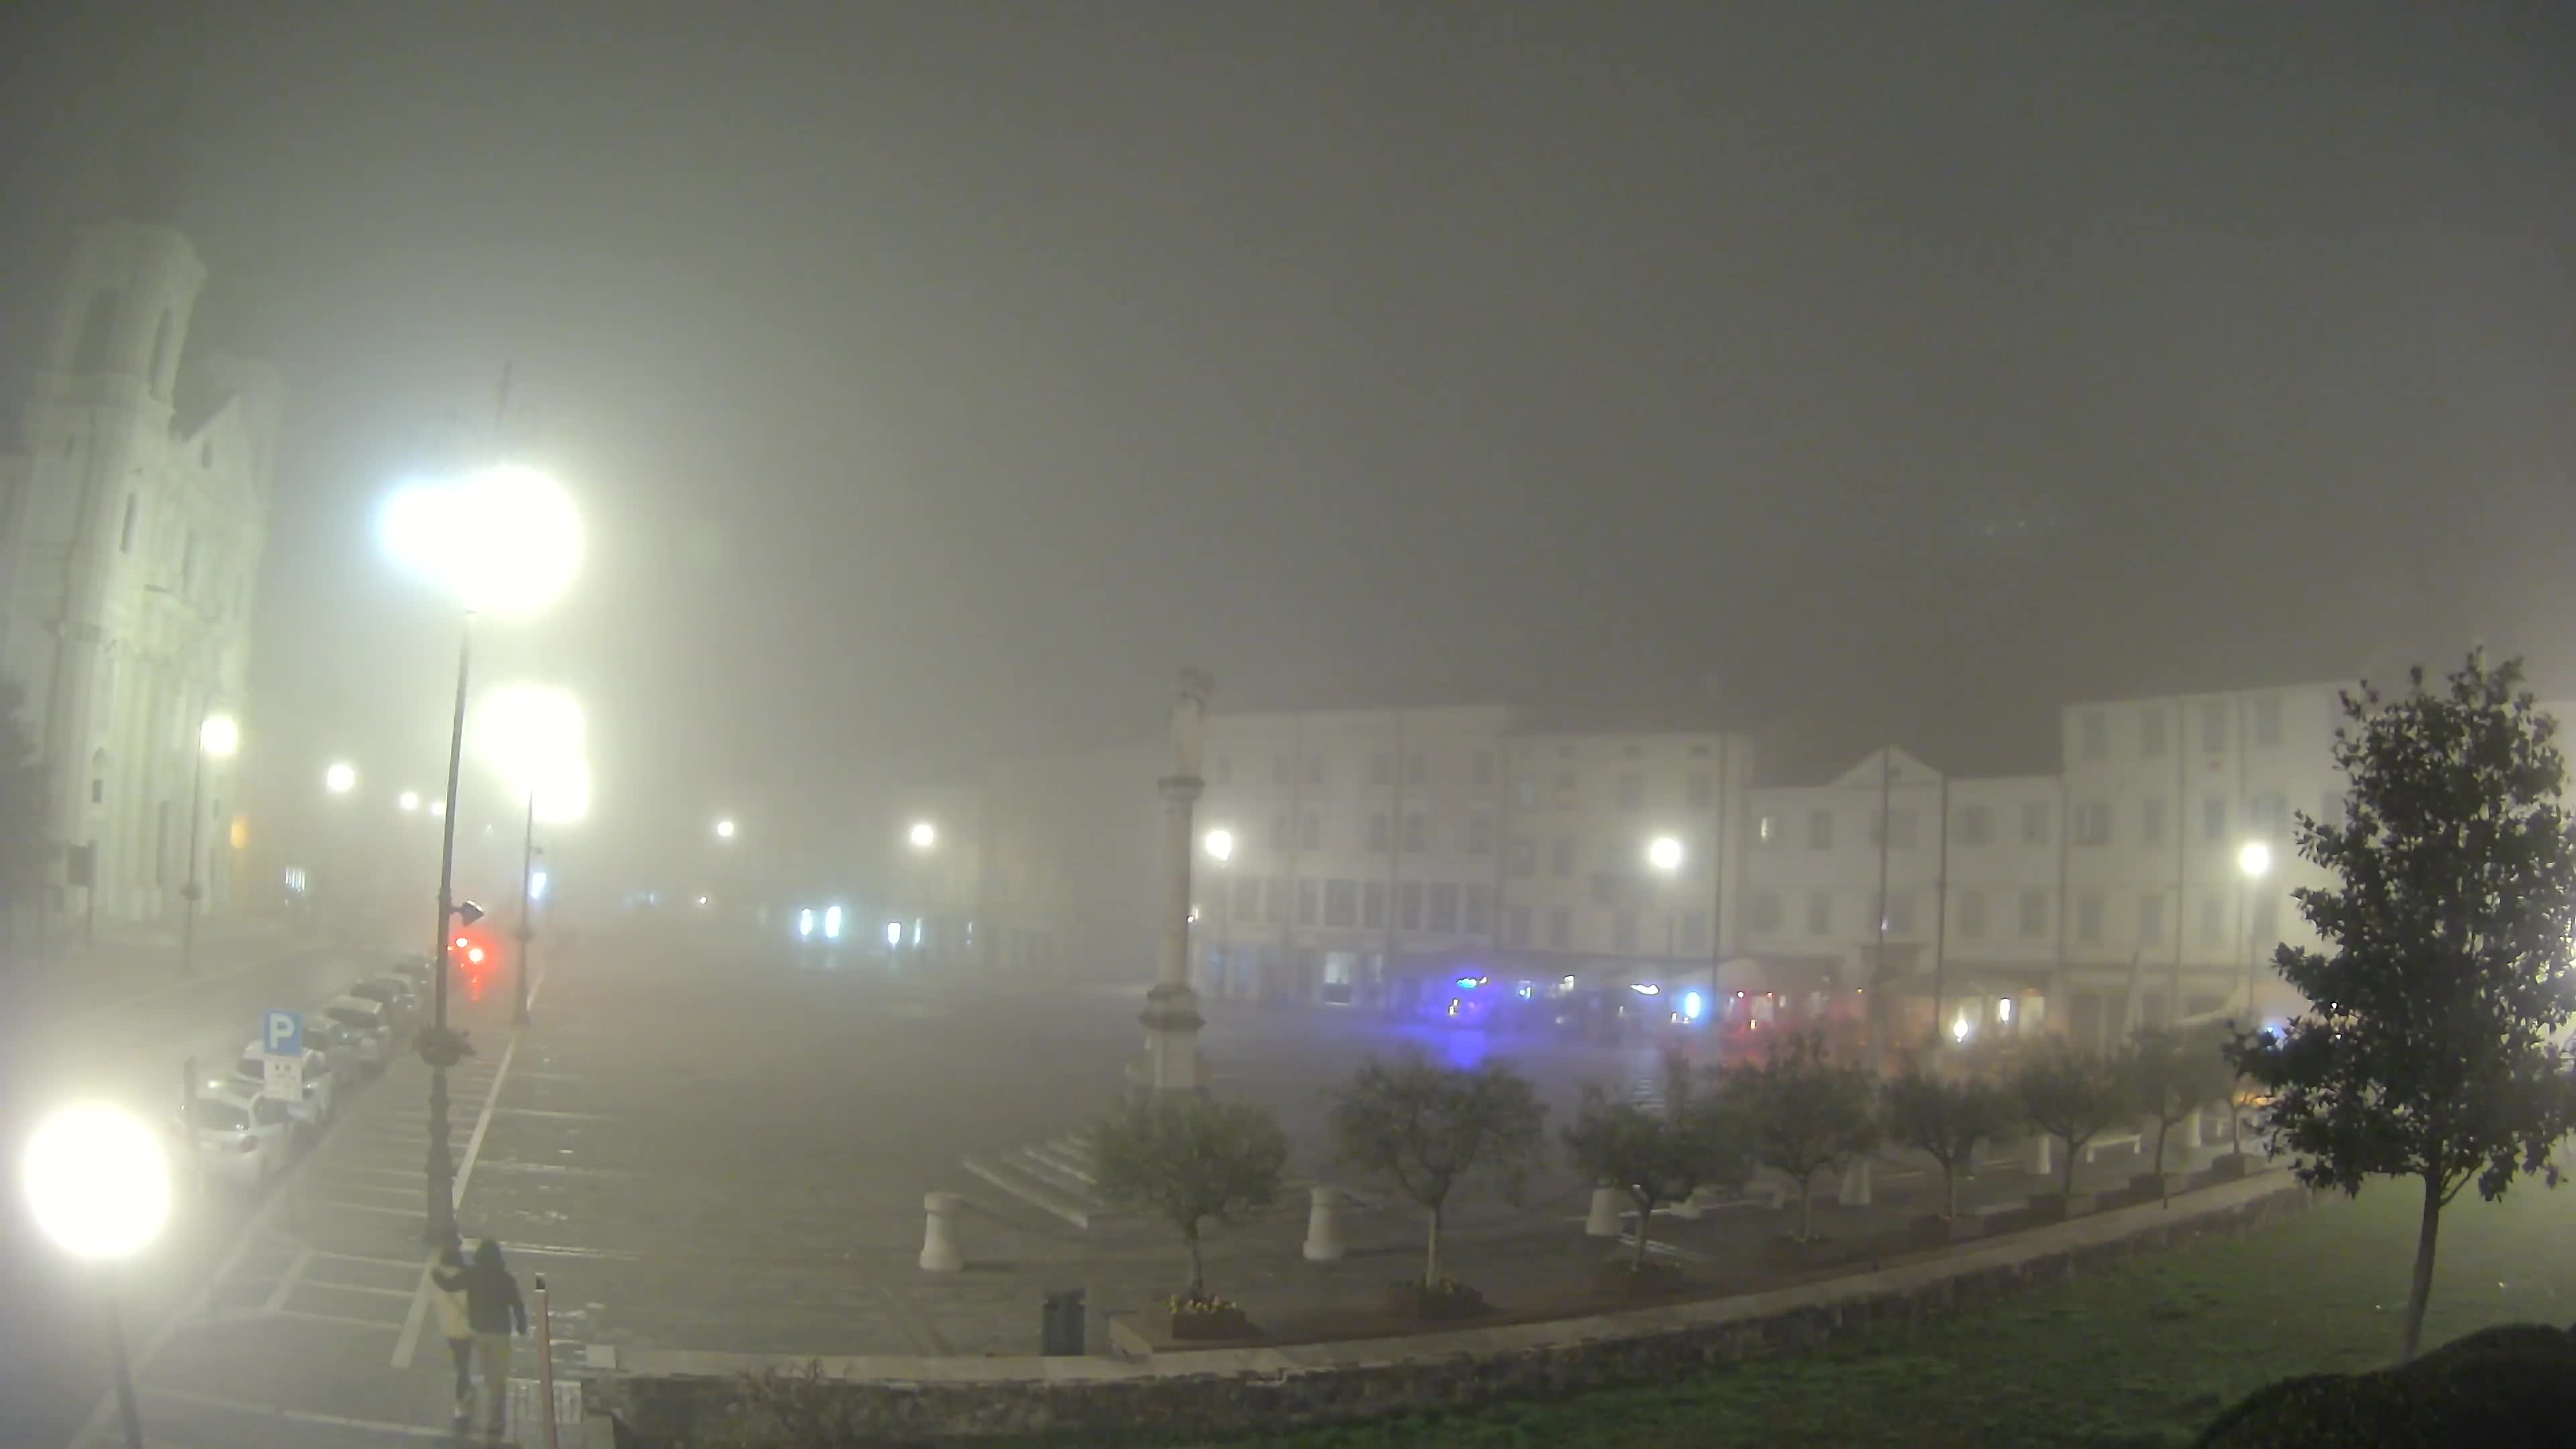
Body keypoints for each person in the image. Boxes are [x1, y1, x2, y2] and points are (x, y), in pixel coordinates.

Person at [457, 1239, 527, 1441]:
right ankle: (495, 1420)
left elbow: (451, 1284)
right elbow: (517, 1304)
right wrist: (521, 1325)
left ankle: (486, 1402)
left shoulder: (472, 1274)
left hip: (480, 1332)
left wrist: (437, 1275)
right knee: (498, 1377)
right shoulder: (506, 1279)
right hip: (500, 1334)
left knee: (488, 1372)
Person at [429, 1242, 476, 1424]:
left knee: (460, 1362)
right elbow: (469, 1304)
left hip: (448, 1329)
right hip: (465, 1328)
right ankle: (461, 1401)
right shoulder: (463, 1278)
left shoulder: (436, 1277)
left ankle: (466, 1390)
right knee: (463, 1366)